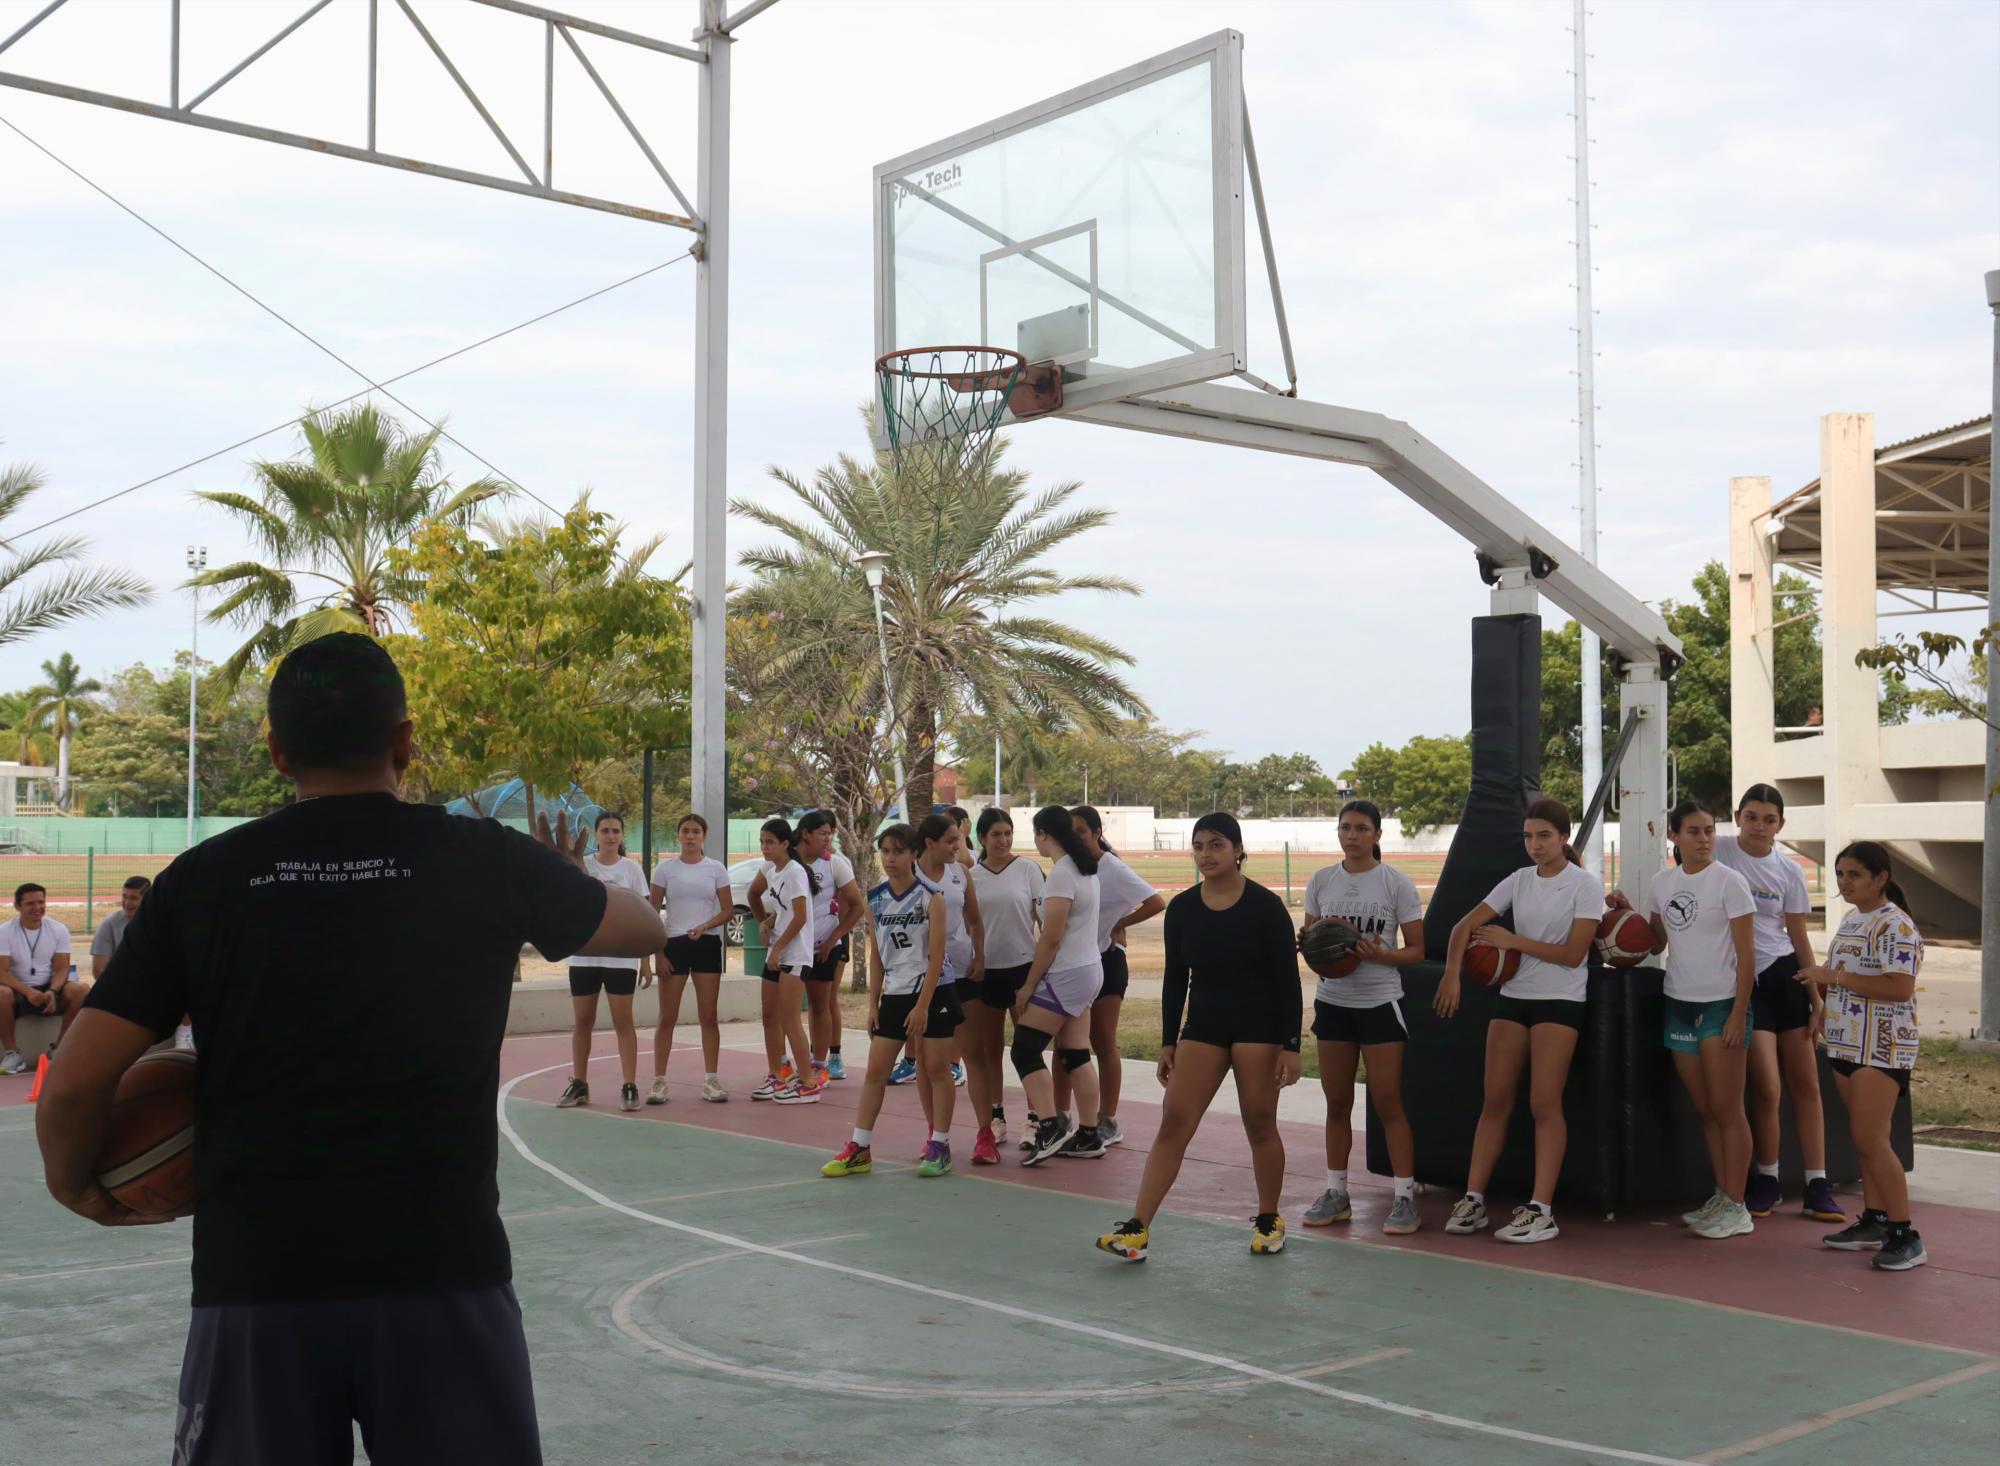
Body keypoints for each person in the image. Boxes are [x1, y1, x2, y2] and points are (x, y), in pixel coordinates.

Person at [35, 631, 662, 1466]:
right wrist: (558, 877)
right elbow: (642, 930)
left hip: (257, 1280)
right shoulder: (485, 859)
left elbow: (74, 1083)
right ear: (404, 742)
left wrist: (79, 1187)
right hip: (444, 1273)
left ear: (276, 751)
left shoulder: (206, 879)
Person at [1096, 813, 1302, 1262]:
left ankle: (1269, 1219)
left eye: (1216, 845)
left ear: (1237, 850)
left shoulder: (1266, 907)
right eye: (1199, 846)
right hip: (1204, 1028)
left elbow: (1288, 981)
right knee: (1174, 1123)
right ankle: (1138, 1229)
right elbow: (1176, 979)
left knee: (1260, 1122)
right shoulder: (1185, 908)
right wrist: (1169, 1040)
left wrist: (1292, 1045)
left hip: (1259, 1029)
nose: (1206, 855)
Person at [1435, 798, 1602, 1245]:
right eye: (1528, 836)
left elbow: (1572, 955)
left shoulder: (1584, 885)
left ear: (1564, 838)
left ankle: (1541, 1210)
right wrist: (1452, 975)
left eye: (1544, 835)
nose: (1535, 845)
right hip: (1514, 997)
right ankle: (1473, 1198)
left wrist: (1513, 941)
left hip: (1560, 999)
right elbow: (1461, 928)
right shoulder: (1519, 879)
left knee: (1544, 1103)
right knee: (1494, 1102)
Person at [1299, 800, 1425, 1234]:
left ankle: (1405, 1196)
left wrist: (1381, 954)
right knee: (1337, 1102)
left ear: (1377, 835)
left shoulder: (1396, 884)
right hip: (1333, 1003)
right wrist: (1312, 948)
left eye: (1361, 828)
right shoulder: (1321, 880)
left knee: (1388, 1101)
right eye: (1345, 828)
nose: (1352, 835)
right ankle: (1337, 1193)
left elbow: (1417, 952)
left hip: (1379, 1003)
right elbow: (1314, 945)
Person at [1800, 842, 1926, 1271]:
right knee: (1864, 1139)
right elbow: (1843, 980)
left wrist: (1832, 976)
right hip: (1846, 1042)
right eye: (1840, 874)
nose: (1844, 883)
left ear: (1881, 878)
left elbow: (1898, 987)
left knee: (1872, 1138)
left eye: (1854, 874)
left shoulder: (1897, 927)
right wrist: (1823, 1002)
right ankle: (1874, 1219)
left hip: (1882, 1045)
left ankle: (1906, 1233)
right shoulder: (1853, 921)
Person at [1643, 798, 1758, 1240]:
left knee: (1729, 1109)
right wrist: (1620, 915)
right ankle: (1722, 1195)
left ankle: (1738, 1205)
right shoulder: (1661, 882)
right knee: (1707, 1110)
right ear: (1674, 836)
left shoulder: (1730, 882)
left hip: (1721, 1004)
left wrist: (1739, 1012)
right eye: (1693, 831)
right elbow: (1655, 942)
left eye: (1709, 830)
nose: (1704, 838)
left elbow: (1748, 955)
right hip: (1678, 1002)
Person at [821, 824, 961, 1180]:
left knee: (936, 1069)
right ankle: (860, 1148)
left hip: (934, 992)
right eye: (884, 851)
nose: (890, 858)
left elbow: (937, 957)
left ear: (914, 854)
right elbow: (878, 957)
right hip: (895, 994)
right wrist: (873, 1004)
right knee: (875, 1071)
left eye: (898, 851)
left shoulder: (932, 896)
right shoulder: (876, 898)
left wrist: (923, 1006)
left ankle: (940, 1145)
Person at [1055, 806, 1164, 1149]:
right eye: (1071, 832)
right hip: (1072, 966)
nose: (1077, 838)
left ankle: (1108, 1120)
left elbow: (1155, 901)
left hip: (1106, 962)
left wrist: (1119, 924)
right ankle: (1058, 1117)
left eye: (1082, 831)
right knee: (1064, 1045)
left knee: (1102, 1041)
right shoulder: (1067, 866)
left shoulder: (1112, 868)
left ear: (1097, 831)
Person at [1011, 805, 1105, 1166]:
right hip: (1088, 971)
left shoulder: (1063, 874)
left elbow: (1050, 938)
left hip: (1068, 973)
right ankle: (1089, 1134)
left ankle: (1049, 1126)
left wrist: (1028, 986)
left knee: (1024, 1049)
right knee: (1076, 1053)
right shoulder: (1085, 869)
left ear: (1043, 835)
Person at [555, 812, 652, 1113]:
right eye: (605, 830)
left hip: (622, 957)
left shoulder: (632, 871)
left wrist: (646, 961)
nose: (611, 836)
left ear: (623, 836)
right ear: (595, 835)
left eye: (616, 831)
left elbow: (642, 917)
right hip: (584, 956)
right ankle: (580, 1083)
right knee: (583, 1022)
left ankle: (629, 1085)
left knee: (623, 1022)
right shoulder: (583, 866)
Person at [967, 807, 1042, 1163]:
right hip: (986, 972)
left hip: (1023, 969)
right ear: (982, 838)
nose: (1003, 840)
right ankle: (995, 1117)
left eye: (1008, 833)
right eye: (996, 834)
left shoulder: (1028, 870)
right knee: (989, 1048)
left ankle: (1035, 1118)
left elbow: (1045, 918)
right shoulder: (971, 876)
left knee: (1027, 1047)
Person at [648, 813, 733, 1104]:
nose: (690, 836)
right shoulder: (665, 869)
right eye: (685, 831)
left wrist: (706, 925)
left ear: (704, 835)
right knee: (667, 1017)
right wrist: (658, 953)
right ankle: (659, 1081)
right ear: (678, 835)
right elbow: (651, 914)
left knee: (708, 1016)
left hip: (706, 943)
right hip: (673, 944)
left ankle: (711, 1080)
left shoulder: (716, 868)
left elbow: (728, 910)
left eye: (696, 831)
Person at [911, 814, 981, 1147]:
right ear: (930, 843)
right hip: (923, 978)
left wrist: (979, 957)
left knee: (973, 1051)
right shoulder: (908, 876)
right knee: (927, 1061)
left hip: (961, 971)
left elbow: (975, 921)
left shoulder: (961, 873)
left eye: (961, 840)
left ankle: (987, 1129)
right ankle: (934, 1133)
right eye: (952, 841)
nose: (959, 847)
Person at [752, 817, 821, 1104]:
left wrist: (779, 948)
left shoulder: (794, 872)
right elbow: (785, 911)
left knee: (791, 1019)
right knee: (770, 1015)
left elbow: (801, 917)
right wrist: (767, 922)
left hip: (796, 954)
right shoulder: (772, 871)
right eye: (762, 841)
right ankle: (777, 1073)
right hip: (778, 950)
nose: (765, 847)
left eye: (770, 842)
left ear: (784, 844)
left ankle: (808, 1082)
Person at [799, 810, 865, 1083]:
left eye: (830, 833)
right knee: (794, 1006)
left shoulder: (836, 863)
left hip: (832, 937)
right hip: (797, 943)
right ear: (806, 833)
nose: (828, 838)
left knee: (826, 1000)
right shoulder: (789, 862)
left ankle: (829, 1056)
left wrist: (834, 935)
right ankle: (790, 1062)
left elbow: (854, 904)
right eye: (823, 832)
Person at [1, 882, 79, 1072]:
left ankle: (58, 1051)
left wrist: (53, 991)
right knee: (1, 993)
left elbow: (62, 969)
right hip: (18, 990)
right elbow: (1, 972)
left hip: (48, 988)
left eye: (41, 902)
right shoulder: (4, 931)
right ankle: (12, 1054)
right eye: (30, 904)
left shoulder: (58, 929)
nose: (37, 908)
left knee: (80, 990)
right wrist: (28, 992)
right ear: (18, 906)